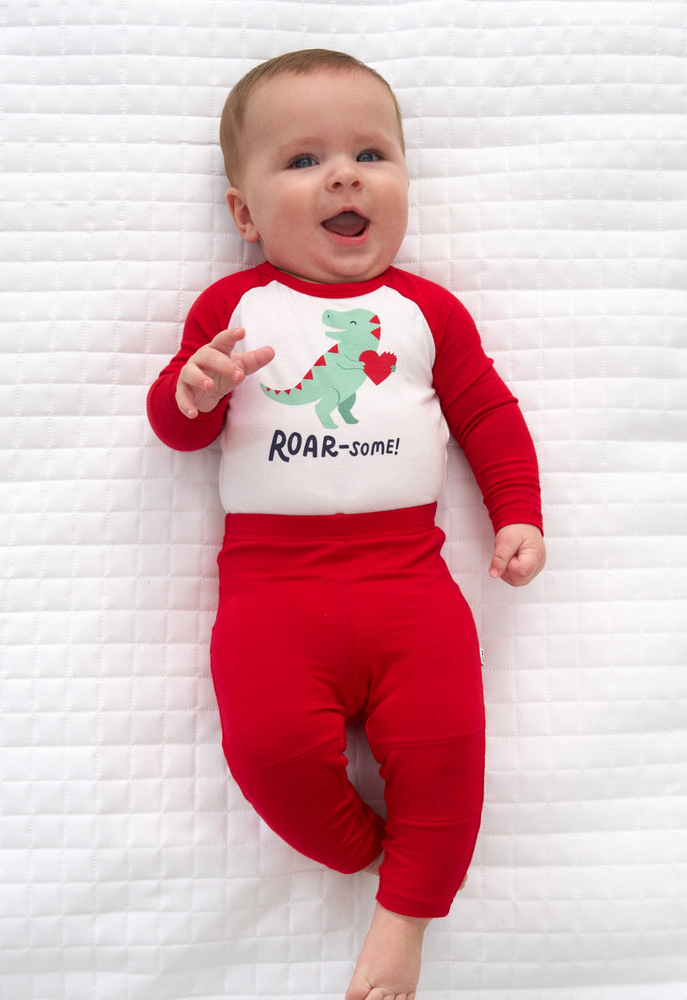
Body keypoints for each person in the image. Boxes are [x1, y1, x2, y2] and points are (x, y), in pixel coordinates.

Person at [147, 49, 546, 1000]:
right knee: (269, 754)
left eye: (372, 152)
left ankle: (404, 921)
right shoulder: (235, 307)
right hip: (272, 594)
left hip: (412, 584)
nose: (343, 175)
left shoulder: (425, 311)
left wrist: (519, 513)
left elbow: (488, 417)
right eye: (301, 161)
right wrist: (192, 389)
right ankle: (373, 858)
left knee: (451, 754)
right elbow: (176, 428)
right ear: (243, 216)